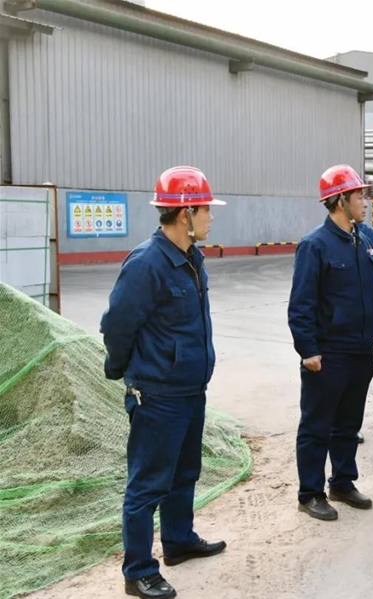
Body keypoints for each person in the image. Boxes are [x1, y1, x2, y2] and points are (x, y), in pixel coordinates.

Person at [100, 166, 227, 599]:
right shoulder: (147, 263)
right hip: (158, 394)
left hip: (191, 389)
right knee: (148, 483)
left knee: (185, 472)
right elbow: (117, 325)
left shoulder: (191, 258)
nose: (211, 216)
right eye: (206, 209)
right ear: (186, 213)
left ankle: (178, 540)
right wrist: (123, 371)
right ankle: (138, 570)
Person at [288, 164, 373, 521]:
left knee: (348, 423)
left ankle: (342, 482)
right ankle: (310, 493)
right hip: (328, 354)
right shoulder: (315, 245)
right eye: (359, 195)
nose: (365, 201)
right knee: (317, 425)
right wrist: (308, 350)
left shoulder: (364, 240)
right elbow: (301, 304)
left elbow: (366, 293)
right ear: (341, 201)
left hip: (360, 350)